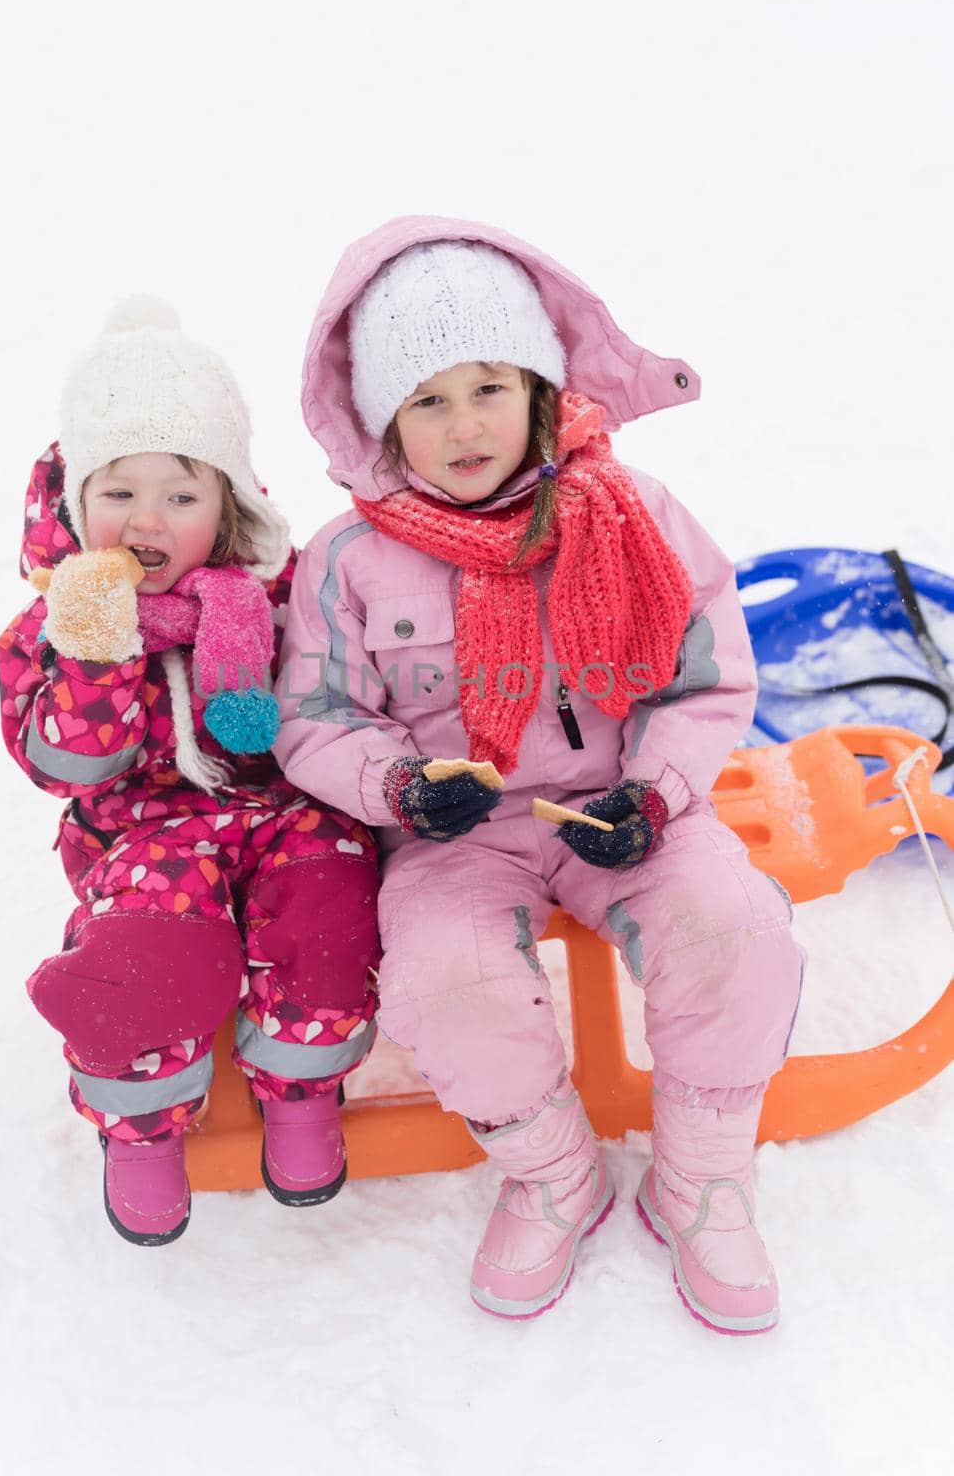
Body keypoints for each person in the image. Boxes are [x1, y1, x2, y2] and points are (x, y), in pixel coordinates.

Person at [273, 219, 803, 1331]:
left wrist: (655, 792)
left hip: (626, 802)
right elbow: (315, 716)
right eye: (426, 401)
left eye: (487, 387)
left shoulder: (634, 514)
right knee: (444, 980)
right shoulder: (345, 562)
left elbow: (706, 679)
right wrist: (400, 789)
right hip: (456, 834)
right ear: (382, 420)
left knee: (735, 927)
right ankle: (551, 1170)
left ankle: (703, 1171)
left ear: (542, 388)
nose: (463, 425)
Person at [0, 296, 379, 1246]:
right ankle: (141, 1124)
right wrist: (94, 651)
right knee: (150, 957)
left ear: (228, 504)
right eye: (117, 492)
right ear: (76, 503)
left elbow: (333, 701)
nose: (146, 520)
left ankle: (301, 1085)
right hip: (140, 834)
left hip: (283, 810)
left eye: (180, 494)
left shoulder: (280, 598)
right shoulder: (48, 634)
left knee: (330, 907)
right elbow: (69, 766)